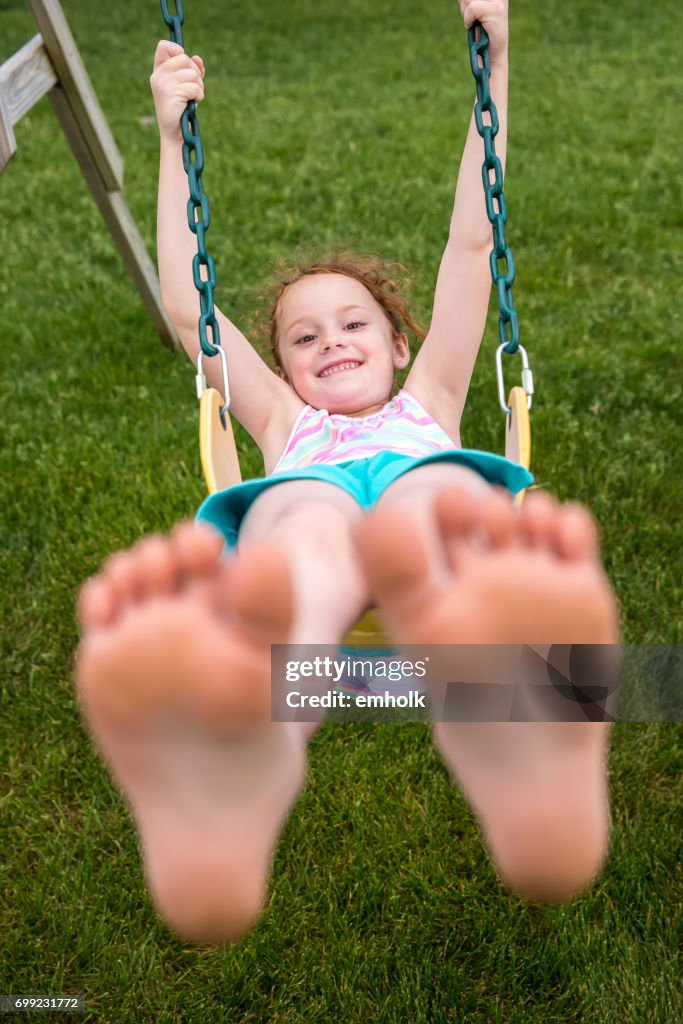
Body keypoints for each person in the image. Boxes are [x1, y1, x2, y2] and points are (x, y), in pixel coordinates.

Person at [75, 0, 618, 945]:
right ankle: (252, 730)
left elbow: (472, 239)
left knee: (428, 501)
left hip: (425, 486)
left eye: (354, 323)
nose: (330, 340)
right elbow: (184, 303)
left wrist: (491, 64)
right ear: (279, 368)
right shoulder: (286, 423)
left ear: (400, 344)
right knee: (306, 531)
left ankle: (515, 728)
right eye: (303, 335)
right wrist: (171, 138)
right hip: (315, 504)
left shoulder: (436, 394)